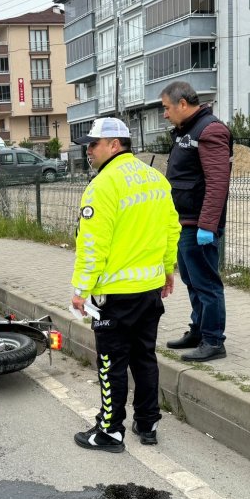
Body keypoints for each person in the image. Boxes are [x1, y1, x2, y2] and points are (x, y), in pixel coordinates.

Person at [70, 118, 180, 454]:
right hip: (149, 290)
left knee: (111, 362)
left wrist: (80, 289)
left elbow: (93, 244)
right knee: (145, 358)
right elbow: (172, 227)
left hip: (115, 296)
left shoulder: (103, 186)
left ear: (115, 144)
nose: (88, 150)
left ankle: (109, 431)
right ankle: (147, 423)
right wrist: (166, 269)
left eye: (93, 144)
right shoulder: (156, 180)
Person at [160, 80, 233, 362]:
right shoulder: (185, 131)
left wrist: (207, 225)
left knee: (206, 283)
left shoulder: (210, 130)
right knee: (192, 280)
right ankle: (199, 330)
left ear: (182, 104)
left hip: (198, 224)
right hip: (183, 221)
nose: (164, 114)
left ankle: (214, 340)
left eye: (167, 108)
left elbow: (217, 183)